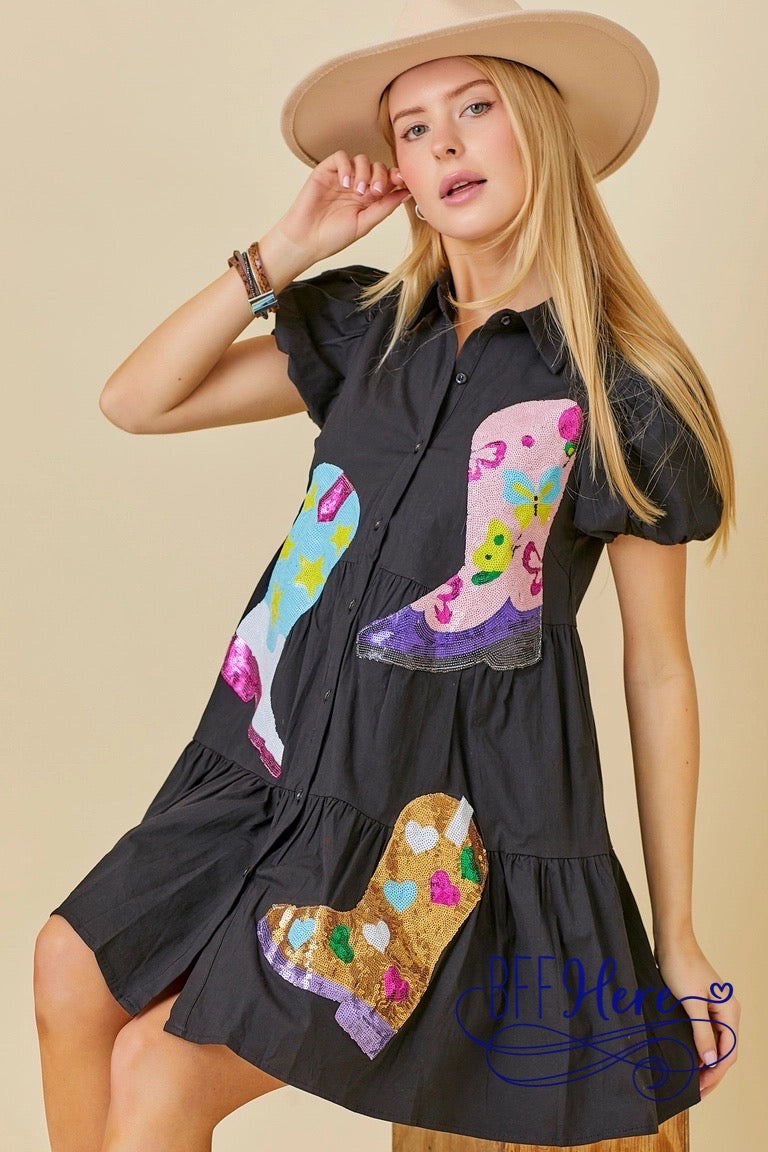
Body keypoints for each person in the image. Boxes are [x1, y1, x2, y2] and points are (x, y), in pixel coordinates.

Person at [33, 2, 741, 1150]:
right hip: (261, 773)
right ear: (398, 172)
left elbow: (659, 669)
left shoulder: (624, 391)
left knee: (158, 1075)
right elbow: (137, 400)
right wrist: (286, 246)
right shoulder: (370, 332)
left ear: (540, 129)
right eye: (412, 128)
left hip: (422, 828)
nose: (443, 142)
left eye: (475, 108)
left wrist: (680, 935)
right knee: (67, 970)